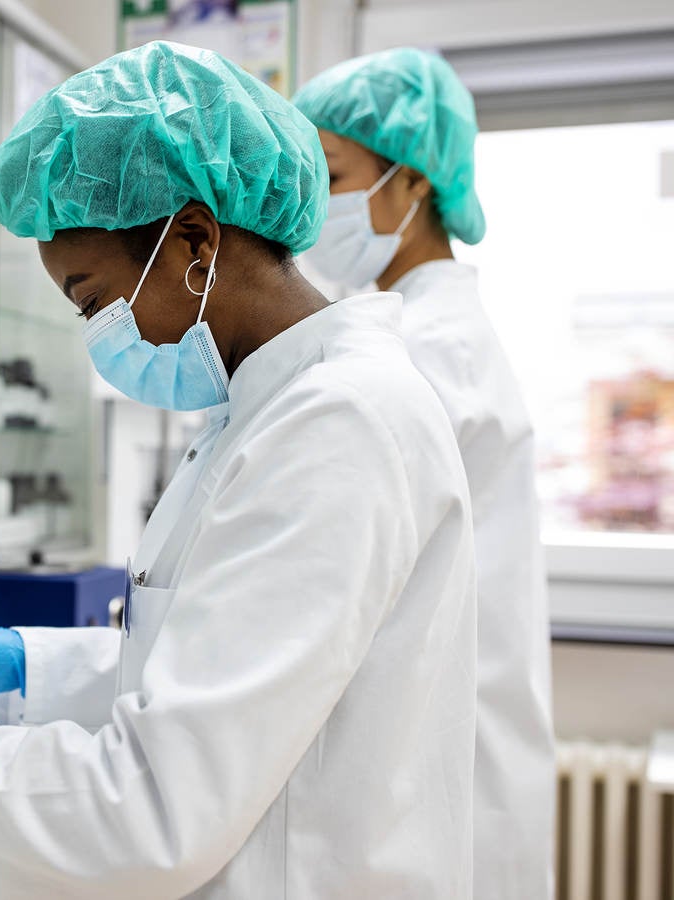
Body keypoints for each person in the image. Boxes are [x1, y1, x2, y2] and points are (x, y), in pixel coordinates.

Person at [0, 41, 478, 899]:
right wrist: (34, 665)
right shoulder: (265, 410)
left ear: (194, 239)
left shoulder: (336, 423)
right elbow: (228, 667)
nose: (99, 333)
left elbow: (150, 810)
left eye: (94, 299)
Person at [293, 47, 556, 900]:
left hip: (444, 777)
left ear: (410, 186)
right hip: (448, 763)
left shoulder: (429, 350)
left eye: (331, 174)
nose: (310, 206)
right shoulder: (412, 330)